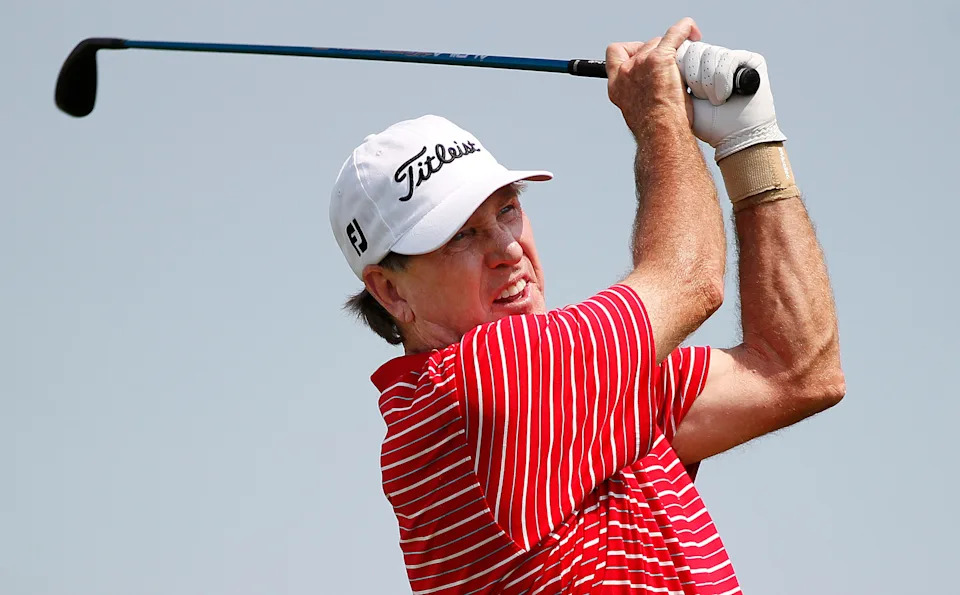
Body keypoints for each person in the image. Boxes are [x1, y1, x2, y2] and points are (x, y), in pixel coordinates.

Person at [329, 17, 844, 595]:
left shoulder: (569, 391)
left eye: (506, 209)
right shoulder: (477, 385)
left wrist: (754, 144)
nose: (507, 249)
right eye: (459, 237)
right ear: (391, 291)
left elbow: (798, 370)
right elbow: (691, 278)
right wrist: (658, 117)